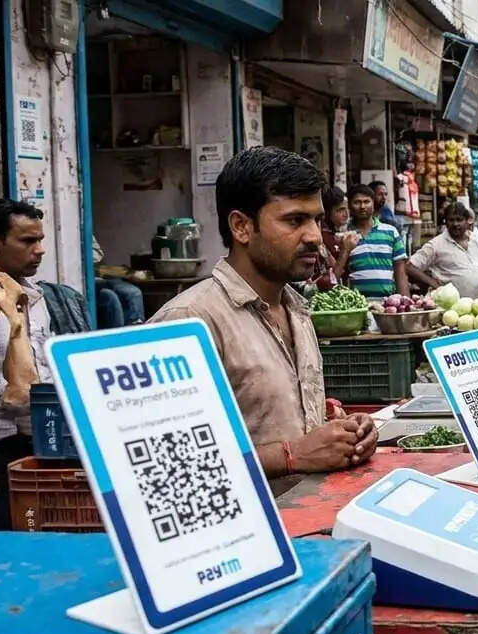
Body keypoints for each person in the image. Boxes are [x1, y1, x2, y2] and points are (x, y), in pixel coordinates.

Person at [150, 147, 378, 481]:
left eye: (316, 219)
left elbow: (278, 423)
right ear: (241, 226)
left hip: (311, 521)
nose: (315, 236)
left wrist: (339, 431)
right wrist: (291, 456)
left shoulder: (295, 308)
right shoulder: (189, 320)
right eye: (294, 220)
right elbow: (168, 467)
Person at [0, 198, 53, 529]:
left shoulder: (36, 296)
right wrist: (10, 393)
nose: (40, 250)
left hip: (40, 441)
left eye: (40, 240)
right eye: (27, 240)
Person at [408, 201, 478, 298]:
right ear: (446, 222)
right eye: (451, 220)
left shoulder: (477, 240)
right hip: (450, 307)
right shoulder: (436, 244)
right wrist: (433, 283)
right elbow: (410, 267)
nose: (455, 224)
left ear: (467, 221)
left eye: (459, 220)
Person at [346, 183, 409, 298]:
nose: (362, 206)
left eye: (366, 201)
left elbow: (400, 273)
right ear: (349, 206)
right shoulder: (344, 235)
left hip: (387, 305)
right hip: (356, 305)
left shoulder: (391, 232)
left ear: (373, 204)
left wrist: (405, 303)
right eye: (357, 202)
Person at [311, 186, 358, 290]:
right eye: (340, 210)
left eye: (347, 209)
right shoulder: (321, 236)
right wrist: (345, 250)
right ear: (327, 212)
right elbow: (330, 280)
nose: (346, 214)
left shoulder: (334, 233)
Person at [92, 237, 145, 328]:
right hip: (89, 280)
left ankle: (136, 328)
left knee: (134, 292)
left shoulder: (87, 235)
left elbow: (98, 255)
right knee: (110, 296)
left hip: (98, 275)